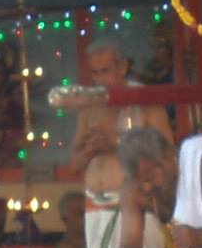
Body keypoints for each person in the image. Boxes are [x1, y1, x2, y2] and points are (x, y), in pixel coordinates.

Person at [63, 41, 174, 176]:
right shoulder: (91, 106)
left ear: (122, 67)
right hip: (95, 192)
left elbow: (167, 154)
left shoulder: (145, 102)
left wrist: (115, 143)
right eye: (94, 73)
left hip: (135, 193)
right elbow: (74, 165)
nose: (100, 80)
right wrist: (90, 150)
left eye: (105, 71)